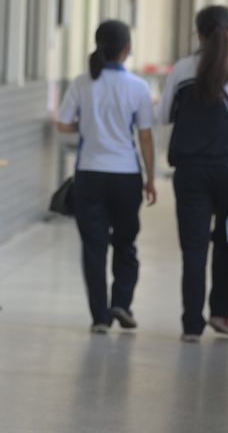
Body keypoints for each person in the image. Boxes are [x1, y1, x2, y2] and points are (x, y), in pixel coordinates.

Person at [158, 5, 228, 342]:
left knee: (194, 248)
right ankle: (221, 315)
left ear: (198, 34)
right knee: (227, 241)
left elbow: (164, 115)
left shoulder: (181, 69)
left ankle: (191, 325)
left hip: (190, 173)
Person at [57, 20, 157, 334]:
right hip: (126, 176)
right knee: (125, 243)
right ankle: (121, 303)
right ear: (127, 49)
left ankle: (100, 317)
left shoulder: (81, 83)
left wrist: (85, 126)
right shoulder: (139, 87)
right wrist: (151, 179)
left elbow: (62, 124)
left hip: (90, 174)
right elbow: (145, 137)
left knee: (94, 247)